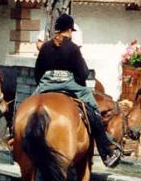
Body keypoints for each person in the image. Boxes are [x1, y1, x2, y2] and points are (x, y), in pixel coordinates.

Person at [34, 13, 121, 168]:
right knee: (94, 111)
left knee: (28, 106)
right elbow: (83, 73)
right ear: (69, 30)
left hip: (46, 85)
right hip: (69, 85)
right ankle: (106, 152)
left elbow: (37, 72)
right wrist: (77, 82)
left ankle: (15, 139)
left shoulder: (45, 47)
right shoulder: (73, 48)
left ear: (57, 30)